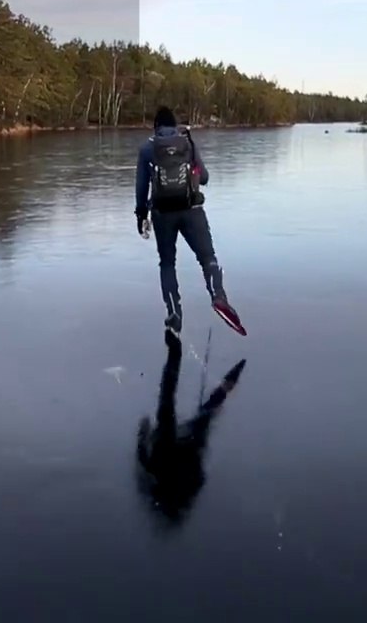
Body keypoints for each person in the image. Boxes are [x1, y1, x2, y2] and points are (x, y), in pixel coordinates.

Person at [135, 106, 245, 337]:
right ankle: (218, 297)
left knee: (167, 263)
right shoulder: (188, 143)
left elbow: (142, 186)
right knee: (208, 258)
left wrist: (141, 215)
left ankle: (174, 313)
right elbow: (204, 178)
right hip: (192, 210)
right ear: (175, 125)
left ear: (155, 126)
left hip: (163, 214)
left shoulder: (148, 148)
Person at [135, 330, 247, 526]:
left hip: (174, 450)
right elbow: (198, 474)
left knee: (187, 408)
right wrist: (143, 431)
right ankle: (228, 376)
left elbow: (144, 455)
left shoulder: (164, 480)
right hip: (180, 451)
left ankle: (177, 354)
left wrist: (144, 431)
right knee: (187, 408)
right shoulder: (174, 484)